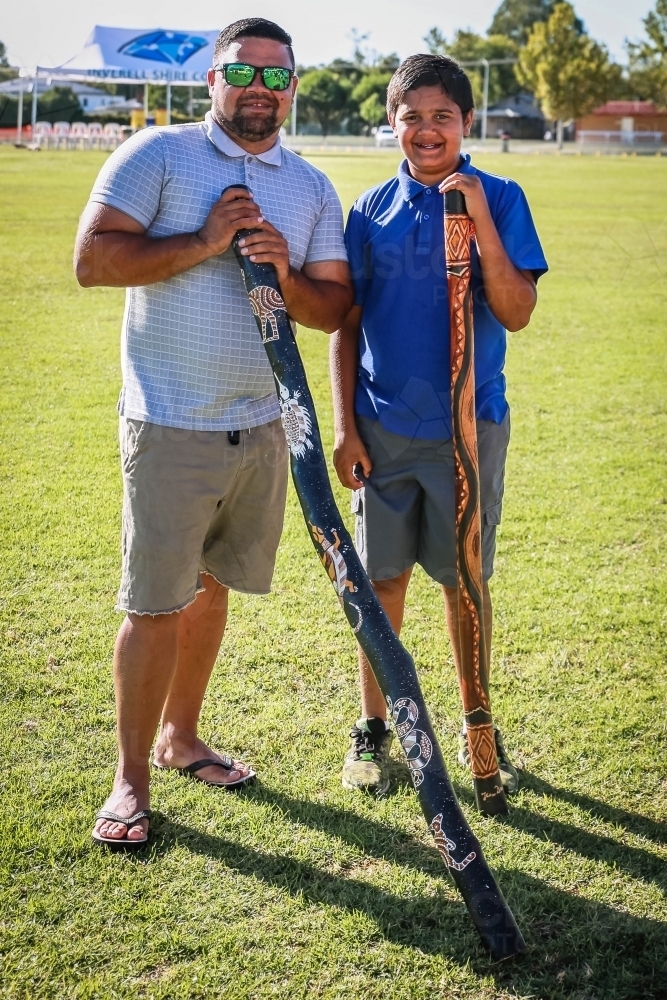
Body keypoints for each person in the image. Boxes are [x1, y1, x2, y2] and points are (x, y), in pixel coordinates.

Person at [74, 17, 352, 849]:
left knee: (212, 590)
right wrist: (204, 241)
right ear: (212, 78)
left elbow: (335, 309)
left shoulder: (307, 187)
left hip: (262, 426)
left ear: (293, 86)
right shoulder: (158, 155)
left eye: (277, 77)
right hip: (170, 421)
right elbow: (92, 260)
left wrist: (284, 272)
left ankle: (182, 738)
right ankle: (130, 780)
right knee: (155, 603)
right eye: (244, 72)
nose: (259, 90)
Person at [330, 54, 548, 798]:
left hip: (470, 425)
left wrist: (477, 216)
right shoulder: (367, 210)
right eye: (411, 116)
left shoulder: (503, 195)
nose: (426, 130)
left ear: (465, 123)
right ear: (392, 121)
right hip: (382, 425)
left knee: (465, 582)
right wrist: (343, 427)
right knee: (378, 581)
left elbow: (516, 311)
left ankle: (476, 722)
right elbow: (345, 323)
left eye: (442, 117)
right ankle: (373, 727)